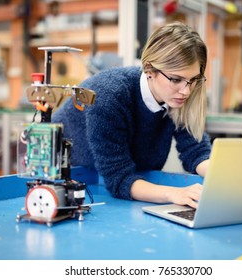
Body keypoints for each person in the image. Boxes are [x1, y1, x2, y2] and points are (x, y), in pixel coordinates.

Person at [52, 21, 211, 208]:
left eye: (193, 80)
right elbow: (120, 179)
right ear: (149, 69)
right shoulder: (109, 96)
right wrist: (176, 194)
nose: (186, 91)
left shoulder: (177, 96)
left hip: (112, 183)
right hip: (61, 177)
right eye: (176, 79)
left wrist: (227, 178)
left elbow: (196, 153)